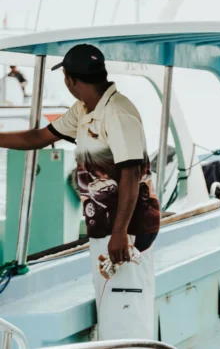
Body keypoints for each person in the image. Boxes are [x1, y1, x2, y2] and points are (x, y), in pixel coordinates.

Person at [0, 44, 160, 339]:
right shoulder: (85, 109)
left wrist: (120, 233)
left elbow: (132, 173)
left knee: (127, 314)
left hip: (127, 231)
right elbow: (39, 137)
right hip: (106, 228)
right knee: (112, 310)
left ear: (70, 79)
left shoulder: (118, 112)